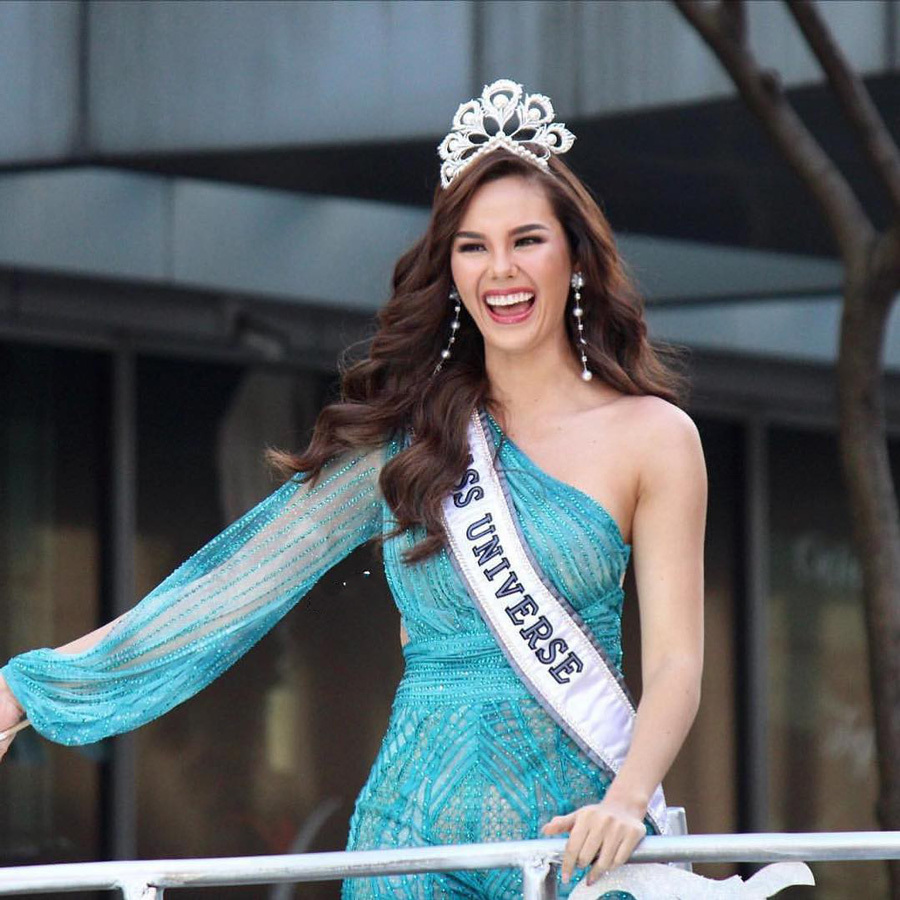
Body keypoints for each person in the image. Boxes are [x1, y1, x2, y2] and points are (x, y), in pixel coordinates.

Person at [0, 79, 706, 899]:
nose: (501, 271)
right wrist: (25, 690)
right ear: (449, 270)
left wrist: (625, 803)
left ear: (575, 256)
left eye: (527, 241)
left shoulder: (655, 438)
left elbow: (679, 663)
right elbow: (233, 588)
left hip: (582, 833)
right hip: (408, 839)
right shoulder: (407, 442)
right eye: (473, 246)